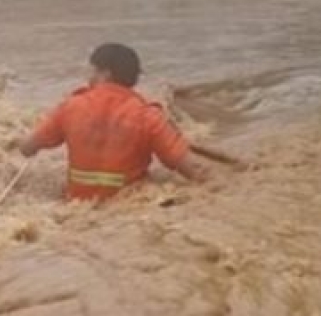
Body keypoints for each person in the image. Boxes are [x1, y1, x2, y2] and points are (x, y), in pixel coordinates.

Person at [19, 43, 207, 200]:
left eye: (92, 71)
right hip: (127, 207)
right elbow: (194, 171)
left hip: (79, 204)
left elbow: (26, 147)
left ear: (105, 73)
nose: (89, 77)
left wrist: (31, 147)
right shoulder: (148, 116)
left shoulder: (70, 107)